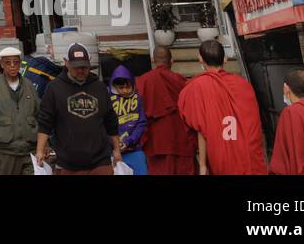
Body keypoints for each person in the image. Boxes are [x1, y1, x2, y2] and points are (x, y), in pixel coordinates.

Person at [177, 40, 267, 175]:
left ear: (200, 59)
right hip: (248, 153)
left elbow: (199, 129)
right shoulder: (243, 85)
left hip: (220, 154)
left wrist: (202, 165)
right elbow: (253, 124)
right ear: (224, 59)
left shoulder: (196, 87)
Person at [35, 43, 121, 175]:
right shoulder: (54, 88)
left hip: (100, 161)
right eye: (76, 67)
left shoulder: (99, 87)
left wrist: (116, 149)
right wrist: (40, 150)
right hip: (69, 163)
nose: (81, 71)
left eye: (84, 67)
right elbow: (45, 121)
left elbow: (110, 120)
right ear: (66, 63)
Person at [0, 46, 39, 175]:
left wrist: (45, 144)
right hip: (5, 153)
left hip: (29, 151)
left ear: (20, 64)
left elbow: (39, 116)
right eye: (8, 63)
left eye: (15, 62)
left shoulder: (29, 86)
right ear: (1, 64)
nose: (12, 66)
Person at [135, 46, 197, 174]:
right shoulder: (181, 82)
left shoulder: (142, 82)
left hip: (156, 142)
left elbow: (137, 113)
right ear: (172, 61)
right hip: (181, 140)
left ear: (153, 60)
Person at [109, 66, 148, 175]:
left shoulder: (138, 98)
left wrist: (129, 141)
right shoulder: (107, 99)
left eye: (128, 87)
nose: (125, 91)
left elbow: (141, 123)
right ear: (114, 86)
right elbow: (105, 125)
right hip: (113, 152)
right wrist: (115, 144)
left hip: (135, 150)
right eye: (121, 88)